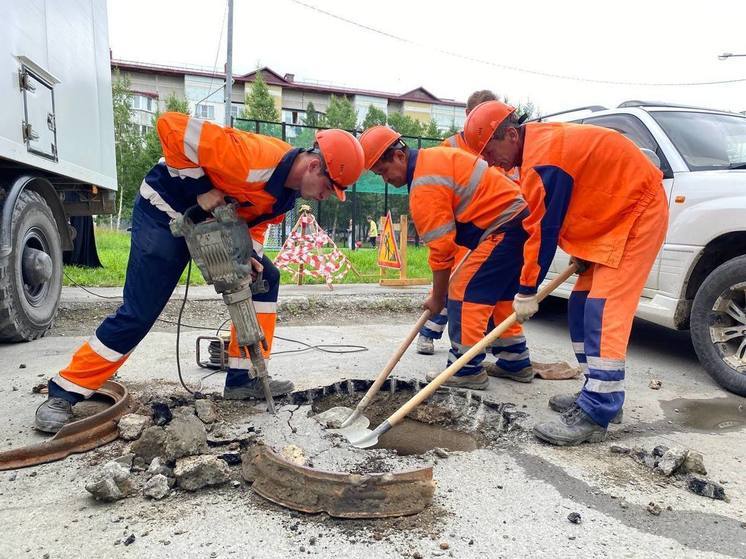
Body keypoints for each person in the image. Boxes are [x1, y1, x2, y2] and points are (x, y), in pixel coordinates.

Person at [34, 112, 365, 433]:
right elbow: (171, 127)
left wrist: (248, 256)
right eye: (329, 187)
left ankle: (244, 378)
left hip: (208, 224)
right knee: (141, 311)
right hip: (164, 212)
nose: (327, 196)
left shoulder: (285, 198)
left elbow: (255, 225)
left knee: (265, 278)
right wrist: (202, 188)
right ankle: (66, 390)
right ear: (313, 166)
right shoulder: (251, 156)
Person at [463, 100, 668, 445]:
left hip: (637, 214)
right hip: (612, 219)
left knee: (602, 310)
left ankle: (598, 409)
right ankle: (597, 390)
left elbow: (542, 233)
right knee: (580, 304)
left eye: (488, 150)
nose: (488, 161)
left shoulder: (543, 162)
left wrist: (527, 290)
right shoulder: (537, 151)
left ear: (511, 135)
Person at [360, 125, 529, 390]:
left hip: (503, 227)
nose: (385, 179)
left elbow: (442, 252)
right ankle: (515, 361)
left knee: (463, 292)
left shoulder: (424, 185)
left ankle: (466, 369)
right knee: (500, 299)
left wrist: (439, 298)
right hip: (517, 222)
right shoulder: (434, 160)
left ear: (399, 156)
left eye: (383, 171)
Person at [415, 89, 497, 356]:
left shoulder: (494, 146)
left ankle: (477, 347)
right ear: (468, 115)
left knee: (468, 289)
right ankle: (428, 332)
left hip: (487, 231)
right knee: (449, 283)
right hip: (458, 229)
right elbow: (434, 188)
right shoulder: (449, 146)